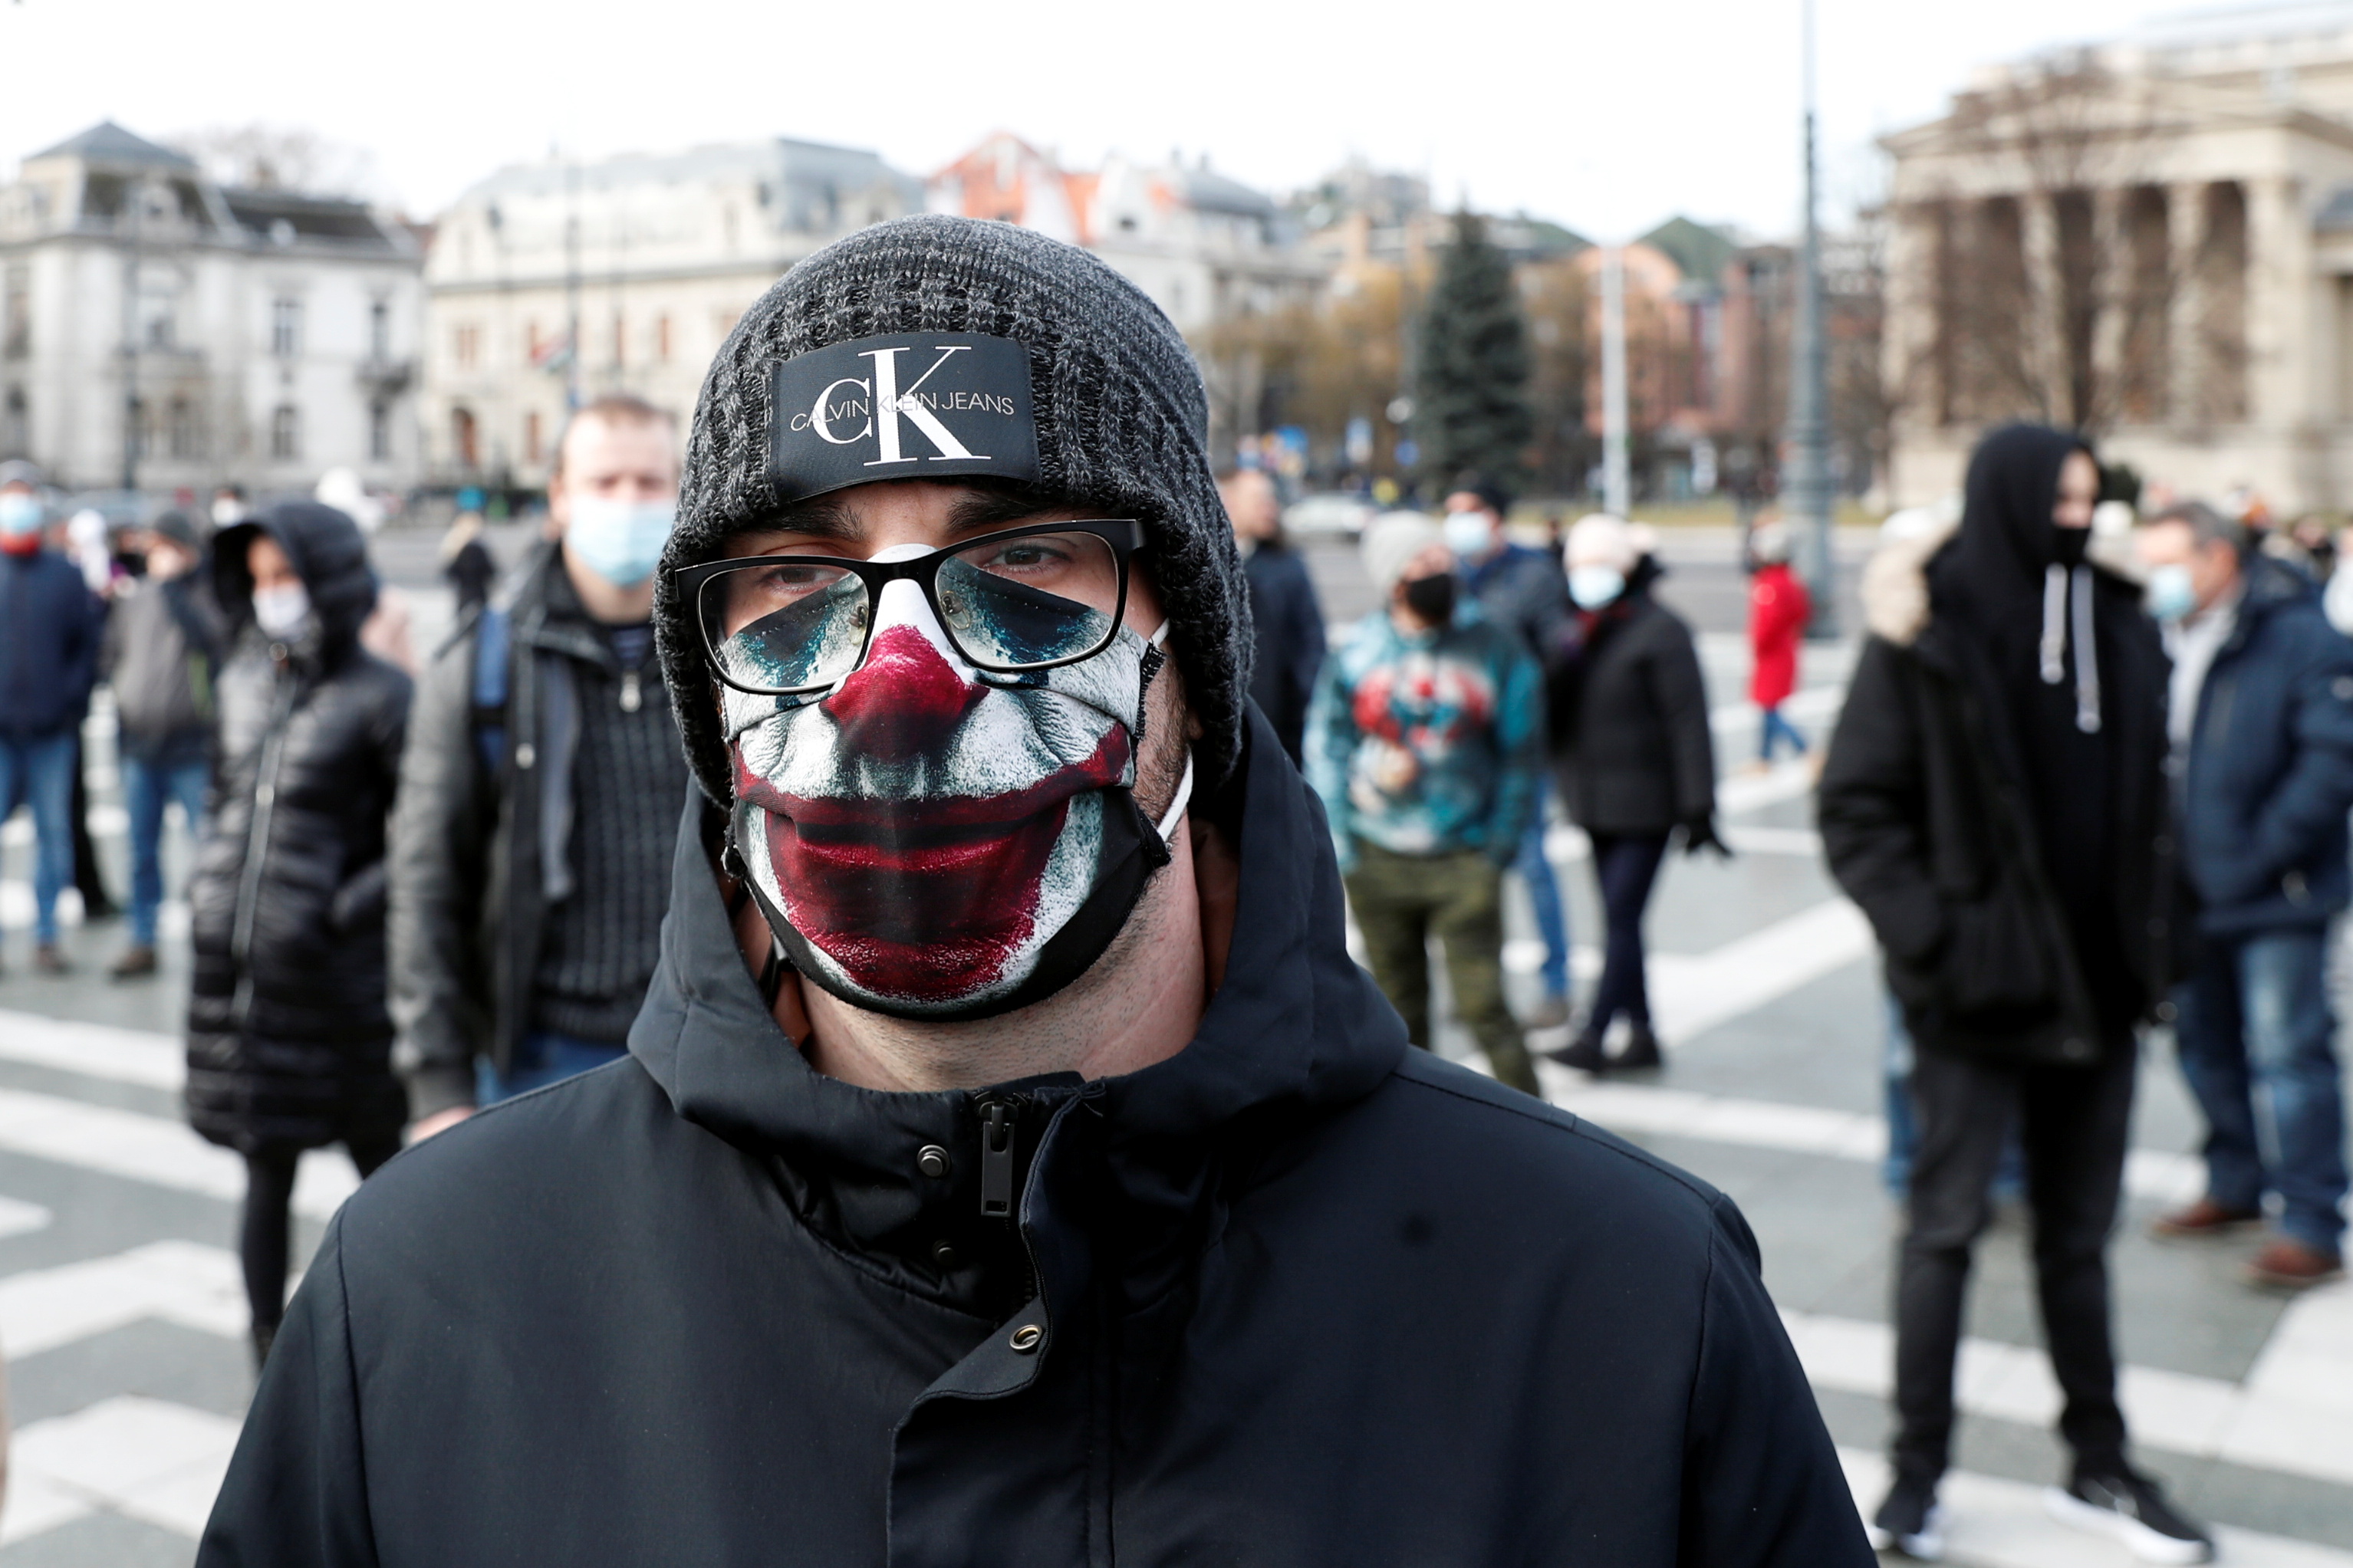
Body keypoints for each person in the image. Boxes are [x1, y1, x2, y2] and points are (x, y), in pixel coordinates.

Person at [200, 215, 1871, 1567]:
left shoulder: (1626, 1313)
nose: (894, 683)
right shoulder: (415, 1305)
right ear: (707, 696)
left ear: (1191, 657)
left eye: (1023, 559)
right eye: (792, 576)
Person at [1819, 425, 2211, 1563]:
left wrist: (2163, 935)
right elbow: (1855, 806)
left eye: (2092, 501)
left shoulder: (2123, 622)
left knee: (2076, 1241)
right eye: (2061, 501)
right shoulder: (1927, 627)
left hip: (2101, 992)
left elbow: (2152, 798)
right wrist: (1940, 940)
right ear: (2009, 499)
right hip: (1974, 997)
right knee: (1942, 1231)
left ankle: (2100, 1462)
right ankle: (1915, 1473)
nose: (2079, 522)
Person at [390, 393, 688, 1139]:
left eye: (649, 482)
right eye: (604, 481)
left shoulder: (727, 656)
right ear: (559, 496)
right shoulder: (483, 667)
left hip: (708, 1049)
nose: (628, 501)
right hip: (543, 1056)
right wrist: (437, 1082)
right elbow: (427, 880)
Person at [183, 502, 411, 1368]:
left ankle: (419, 1331)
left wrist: (342, 907)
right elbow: (221, 798)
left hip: (340, 982)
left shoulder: (381, 695)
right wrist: (209, 885)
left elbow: (416, 837)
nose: (273, 594)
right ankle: (264, 1350)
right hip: (248, 977)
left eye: (288, 576)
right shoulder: (241, 679)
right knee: (264, 1166)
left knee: (387, 1170)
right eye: (260, 579)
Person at [2137, 502, 2353, 1290]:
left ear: (2218, 558)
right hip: (2183, 891)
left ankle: (2310, 1220)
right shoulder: (2158, 634)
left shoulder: (2299, 634)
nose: (2155, 579)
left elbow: (2330, 762)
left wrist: (2257, 854)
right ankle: (2233, 1182)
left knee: (2288, 1053)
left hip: (2274, 891)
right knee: (2203, 1046)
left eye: (2168, 561)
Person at [1309, 511, 1545, 1095]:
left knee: (1485, 1005)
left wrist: (1497, 848)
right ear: (1394, 579)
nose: (1441, 570)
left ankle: (1535, 1125)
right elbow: (1328, 745)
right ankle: (1413, 1128)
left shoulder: (1493, 646)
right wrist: (1343, 843)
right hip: (1378, 858)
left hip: (1464, 856)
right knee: (1398, 1015)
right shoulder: (1358, 651)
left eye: (1443, 558)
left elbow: (1522, 755)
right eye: (1424, 561)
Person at [1544, 514, 1719, 1074]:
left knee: (1620, 916)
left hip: (1647, 804)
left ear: (1624, 568)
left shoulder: (1662, 630)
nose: (1586, 575)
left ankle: (1594, 1033)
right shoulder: (1576, 630)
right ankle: (1642, 1033)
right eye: (1578, 565)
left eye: (1597, 564)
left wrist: (1700, 805)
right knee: (1622, 919)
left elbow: (1688, 722)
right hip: (1592, 801)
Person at [1444, 477, 1575, 1027]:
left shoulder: (1533, 574)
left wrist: (1519, 701)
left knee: (1533, 864)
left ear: (1494, 517)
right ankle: (1477, 987)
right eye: (1451, 511)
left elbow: (1561, 652)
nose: (1456, 522)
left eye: (1467, 511)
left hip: (1518, 748)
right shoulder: (1452, 574)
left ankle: (1557, 986)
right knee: (1468, 872)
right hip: (1462, 748)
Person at [99, 511, 222, 978]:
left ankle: (212, 940)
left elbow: (212, 643)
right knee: (141, 854)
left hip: (191, 748)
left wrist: (175, 590)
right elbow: (112, 656)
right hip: (140, 746)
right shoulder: (135, 599)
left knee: (205, 851)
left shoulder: (204, 595)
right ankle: (141, 939)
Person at [0, 461, 101, 975]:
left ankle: (46, 937)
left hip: (51, 732)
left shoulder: (64, 574)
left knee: (52, 835)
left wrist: (70, 702)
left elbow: (87, 647)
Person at [1218, 466, 1324, 765]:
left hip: (1278, 725)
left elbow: (1311, 641)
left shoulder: (1287, 565)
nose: (1271, 508)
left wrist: (1304, 701)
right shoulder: (1208, 562)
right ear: (1230, 502)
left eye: (1271, 499)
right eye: (1260, 500)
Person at [1746, 518, 1812, 770]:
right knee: (1768, 707)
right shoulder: (1790, 580)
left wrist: (1757, 644)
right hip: (1786, 647)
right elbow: (1802, 612)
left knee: (1770, 708)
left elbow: (1766, 623)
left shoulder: (1769, 583)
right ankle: (1764, 758)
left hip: (1772, 652)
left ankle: (1804, 749)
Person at [439, 508, 497, 616]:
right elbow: (491, 571)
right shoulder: (476, 548)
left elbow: (449, 573)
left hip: (465, 593)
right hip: (476, 593)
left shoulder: (458, 547)